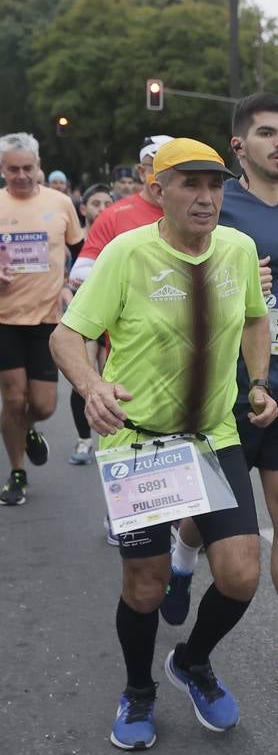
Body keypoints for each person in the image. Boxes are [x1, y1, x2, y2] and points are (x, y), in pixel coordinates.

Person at [49, 137, 277, 750]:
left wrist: (257, 383)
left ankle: (193, 661)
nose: (206, 198)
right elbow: (68, 336)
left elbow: (257, 317)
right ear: (159, 191)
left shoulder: (237, 248)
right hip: (139, 442)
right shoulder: (126, 253)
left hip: (213, 435)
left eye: (215, 185)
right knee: (145, 586)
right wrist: (91, 384)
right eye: (190, 185)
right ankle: (139, 689)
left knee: (240, 575)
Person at [171, 93, 278, 679]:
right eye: (268, 134)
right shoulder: (220, 206)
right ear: (240, 147)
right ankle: (182, 553)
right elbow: (177, 273)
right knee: (212, 505)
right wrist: (230, 276)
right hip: (226, 388)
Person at [0, 133, 83, 506]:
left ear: (38, 167)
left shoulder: (61, 203)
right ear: (3, 169)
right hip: (4, 320)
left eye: (27, 168)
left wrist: (70, 284)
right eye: (12, 169)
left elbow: (82, 253)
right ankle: (17, 472)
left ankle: (29, 430)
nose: (20, 175)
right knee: (14, 401)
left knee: (43, 405)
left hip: (48, 319)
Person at [69, 137, 174, 286]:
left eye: (173, 169)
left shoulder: (193, 214)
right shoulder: (114, 215)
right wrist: (130, 284)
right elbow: (79, 272)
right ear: (142, 172)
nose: (165, 176)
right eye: (157, 167)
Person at [66, 183, 115, 468]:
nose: (102, 209)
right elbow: (65, 270)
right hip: (83, 315)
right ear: (84, 208)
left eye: (107, 203)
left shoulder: (120, 235)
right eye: (96, 203)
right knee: (82, 376)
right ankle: (84, 440)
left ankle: (112, 439)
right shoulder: (77, 238)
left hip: (114, 317)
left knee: (110, 377)